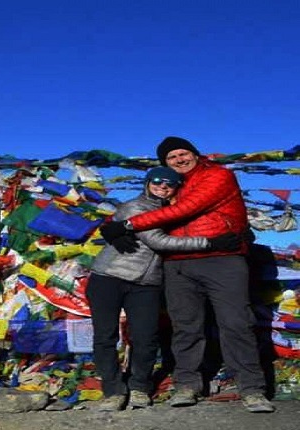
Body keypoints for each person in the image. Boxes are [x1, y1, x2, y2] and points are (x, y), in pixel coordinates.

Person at [100, 136, 275, 413]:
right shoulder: (169, 187)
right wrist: (114, 224)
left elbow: (188, 209)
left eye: (184, 153)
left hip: (221, 259)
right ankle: (186, 384)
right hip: (177, 264)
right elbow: (143, 210)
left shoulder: (217, 176)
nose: (179, 159)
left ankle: (252, 388)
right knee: (185, 326)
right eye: (171, 157)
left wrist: (126, 225)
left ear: (195, 154)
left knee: (236, 323)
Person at [88, 166, 239, 411]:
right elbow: (158, 240)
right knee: (105, 336)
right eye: (157, 180)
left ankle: (139, 387)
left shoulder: (173, 211)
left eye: (171, 183)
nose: (163, 186)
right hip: (109, 277)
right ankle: (113, 390)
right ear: (147, 183)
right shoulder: (135, 207)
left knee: (146, 337)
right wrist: (210, 242)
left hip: (147, 283)